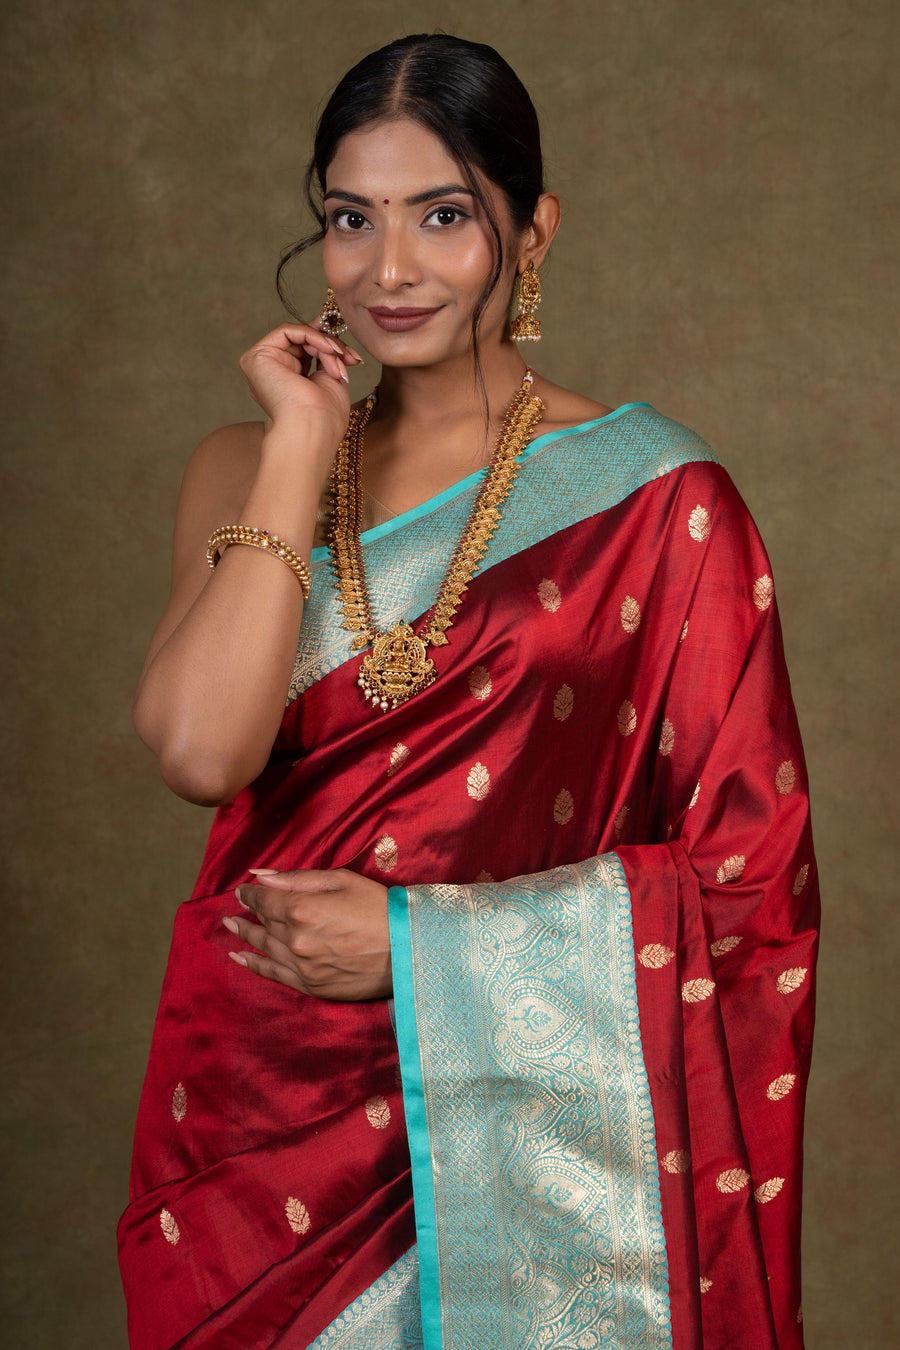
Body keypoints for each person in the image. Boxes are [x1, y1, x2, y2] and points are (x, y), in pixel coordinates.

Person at [118, 33, 818, 1350]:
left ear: (531, 230)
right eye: (350, 219)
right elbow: (206, 752)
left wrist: (421, 950)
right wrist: (302, 446)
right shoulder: (245, 463)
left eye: (443, 216)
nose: (390, 269)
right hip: (251, 1119)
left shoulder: (664, 504)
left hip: (523, 1125)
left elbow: (746, 887)